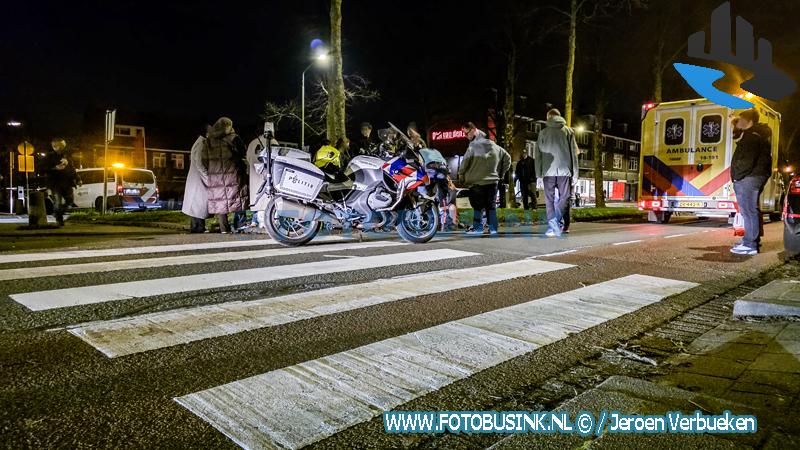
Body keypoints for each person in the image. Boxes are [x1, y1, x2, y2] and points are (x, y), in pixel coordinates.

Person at [730, 108, 772, 255]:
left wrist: (737, 176)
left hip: (749, 178)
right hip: (753, 176)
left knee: (748, 210)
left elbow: (747, 161)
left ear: (749, 122)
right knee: (749, 210)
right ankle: (751, 241)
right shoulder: (753, 135)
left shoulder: (752, 137)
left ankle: (750, 244)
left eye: (741, 119)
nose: (738, 121)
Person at [457, 122, 511, 236]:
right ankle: (493, 228)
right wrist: (500, 174)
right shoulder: (495, 146)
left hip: (477, 182)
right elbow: (508, 158)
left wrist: (461, 176)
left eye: (466, 133)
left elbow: (465, 163)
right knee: (490, 205)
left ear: (472, 130)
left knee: (477, 206)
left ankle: (477, 227)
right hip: (493, 181)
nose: (466, 136)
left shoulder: (473, 146)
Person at [535, 109, 579, 237]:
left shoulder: (542, 133)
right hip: (565, 171)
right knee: (565, 197)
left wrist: (538, 174)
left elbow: (538, 155)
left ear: (548, 117)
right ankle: (556, 222)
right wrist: (575, 173)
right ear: (559, 117)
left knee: (549, 200)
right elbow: (573, 154)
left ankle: (552, 225)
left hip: (547, 172)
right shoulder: (568, 131)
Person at [203, 117, 248, 234]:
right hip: (233, 174)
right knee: (239, 200)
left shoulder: (208, 141)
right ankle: (240, 226)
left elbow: (204, 160)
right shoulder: (234, 138)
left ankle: (224, 228)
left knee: (220, 201)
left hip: (215, 176)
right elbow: (243, 152)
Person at [246, 130, 279, 231]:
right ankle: (270, 221)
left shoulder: (252, 143)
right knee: (269, 197)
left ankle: (260, 221)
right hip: (268, 173)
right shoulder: (273, 142)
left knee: (258, 198)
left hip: (255, 173)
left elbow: (248, 158)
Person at [41, 138, 78, 226]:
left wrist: (78, 178)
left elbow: (72, 169)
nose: (63, 148)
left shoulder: (67, 156)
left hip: (67, 183)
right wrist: (54, 168)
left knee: (70, 201)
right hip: (55, 183)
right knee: (58, 202)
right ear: (54, 147)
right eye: (61, 146)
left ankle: (58, 213)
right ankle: (59, 219)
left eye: (63, 146)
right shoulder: (49, 157)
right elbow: (41, 169)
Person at [182, 134, 209, 233]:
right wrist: (207, 178)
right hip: (199, 179)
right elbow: (199, 163)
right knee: (198, 205)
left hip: (197, 179)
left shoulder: (199, 143)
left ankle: (196, 226)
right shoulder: (201, 144)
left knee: (197, 205)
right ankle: (198, 227)